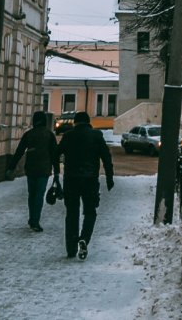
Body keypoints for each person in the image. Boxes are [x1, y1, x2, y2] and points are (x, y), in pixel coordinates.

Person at [57, 111, 114, 260]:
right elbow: (106, 157)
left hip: (71, 180)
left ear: (75, 122)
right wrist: (109, 177)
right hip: (90, 180)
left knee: (72, 213)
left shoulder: (68, 136)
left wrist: (56, 174)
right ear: (89, 122)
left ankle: (70, 248)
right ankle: (84, 238)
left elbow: (56, 153)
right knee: (90, 211)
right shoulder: (96, 136)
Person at [6, 111, 59, 232]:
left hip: (31, 169)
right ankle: (35, 221)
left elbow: (19, 152)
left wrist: (11, 167)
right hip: (44, 169)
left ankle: (32, 218)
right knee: (39, 195)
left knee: (32, 194)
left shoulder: (28, 134)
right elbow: (54, 155)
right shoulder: (49, 135)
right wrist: (56, 172)